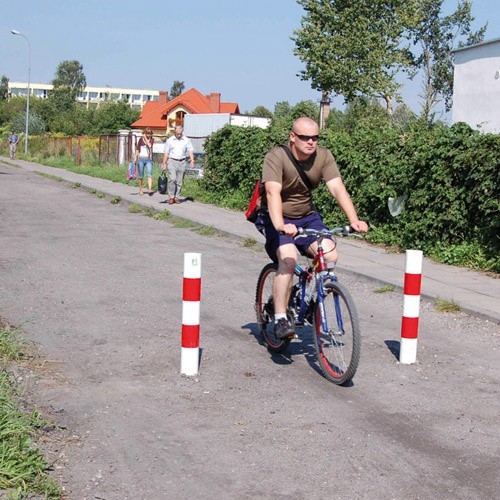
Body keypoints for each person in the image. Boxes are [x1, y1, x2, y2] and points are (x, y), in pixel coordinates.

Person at [256, 116, 368, 339]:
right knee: (288, 259)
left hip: (306, 216)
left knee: (331, 254)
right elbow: (272, 193)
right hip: (276, 217)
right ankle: (280, 318)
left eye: (315, 138)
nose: (311, 142)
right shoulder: (276, 157)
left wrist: (354, 219)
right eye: (305, 137)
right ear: (292, 137)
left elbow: (337, 188)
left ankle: (307, 297)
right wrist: (280, 225)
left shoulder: (323, 156)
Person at [161, 125, 195, 204]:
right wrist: (164, 163)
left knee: (179, 181)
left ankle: (176, 197)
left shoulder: (186, 140)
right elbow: (166, 153)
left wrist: (192, 161)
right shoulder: (170, 140)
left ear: (182, 132)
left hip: (182, 161)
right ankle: (171, 196)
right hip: (172, 161)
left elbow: (190, 150)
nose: (179, 135)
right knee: (172, 179)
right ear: (174, 132)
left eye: (180, 133)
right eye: (177, 134)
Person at [134, 127, 155, 196]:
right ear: (145, 133)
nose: (148, 135)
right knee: (140, 176)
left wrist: (145, 138)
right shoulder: (140, 140)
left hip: (149, 159)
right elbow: (137, 149)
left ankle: (149, 189)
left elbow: (149, 145)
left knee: (149, 174)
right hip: (141, 159)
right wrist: (135, 158)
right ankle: (140, 189)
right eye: (147, 134)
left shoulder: (152, 139)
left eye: (149, 134)